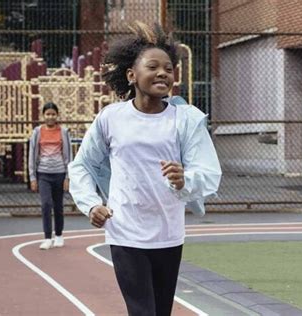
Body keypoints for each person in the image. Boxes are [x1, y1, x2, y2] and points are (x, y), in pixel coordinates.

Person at [68, 22, 221, 315]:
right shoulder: (111, 118)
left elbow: (209, 173)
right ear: (131, 75)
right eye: (153, 66)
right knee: (142, 311)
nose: (163, 72)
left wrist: (184, 179)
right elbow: (82, 165)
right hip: (125, 231)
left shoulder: (185, 120)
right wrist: (90, 205)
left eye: (168, 68)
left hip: (168, 232)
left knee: (160, 311)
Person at [29, 102, 72, 250]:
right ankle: (47, 237)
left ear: (57, 115)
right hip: (43, 174)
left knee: (58, 206)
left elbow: (68, 154)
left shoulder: (63, 132)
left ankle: (59, 235)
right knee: (46, 204)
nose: (50, 117)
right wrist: (32, 177)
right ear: (43, 115)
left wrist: (67, 176)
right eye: (48, 114)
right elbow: (32, 154)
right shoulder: (37, 132)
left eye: (53, 114)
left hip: (59, 173)